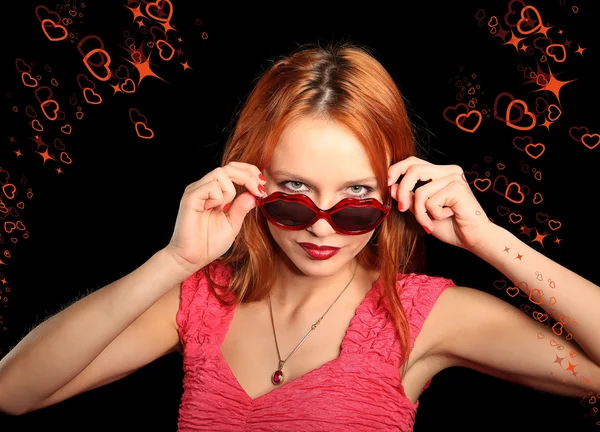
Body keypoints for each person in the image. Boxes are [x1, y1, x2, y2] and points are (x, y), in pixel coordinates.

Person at [0, 41, 598, 431]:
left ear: (393, 194)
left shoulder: (425, 315)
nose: (320, 224)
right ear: (254, 181)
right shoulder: (200, 301)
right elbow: (13, 393)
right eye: (294, 192)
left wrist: (489, 239)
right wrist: (175, 259)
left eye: (357, 199)